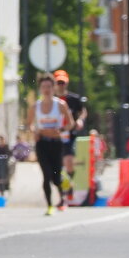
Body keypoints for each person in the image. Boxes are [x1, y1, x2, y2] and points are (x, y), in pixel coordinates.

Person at [29, 74, 74, 215]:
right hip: (42, 143)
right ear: (40, 89)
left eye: (49, 86)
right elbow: (29, 125)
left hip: (56, 142)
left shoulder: (60, 105)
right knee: (46, 174)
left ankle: (62, 197)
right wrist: (34, 131)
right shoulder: (35, 106)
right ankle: (49, 205)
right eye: (43, 87)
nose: (46, 89)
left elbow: (70, 123)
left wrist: (60, 129)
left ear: (53, 87)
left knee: (56, 176)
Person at [52, 69, 87, 197]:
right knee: (56, 163)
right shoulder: (50, 100)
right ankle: (61, 187)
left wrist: (80, 120)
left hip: (69, 134)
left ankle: (70, 182)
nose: (61, 85)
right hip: (53, 135)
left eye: (63, 83)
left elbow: (82, 111)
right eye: (58, 83)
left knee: (68, 160)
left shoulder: (73, 99)